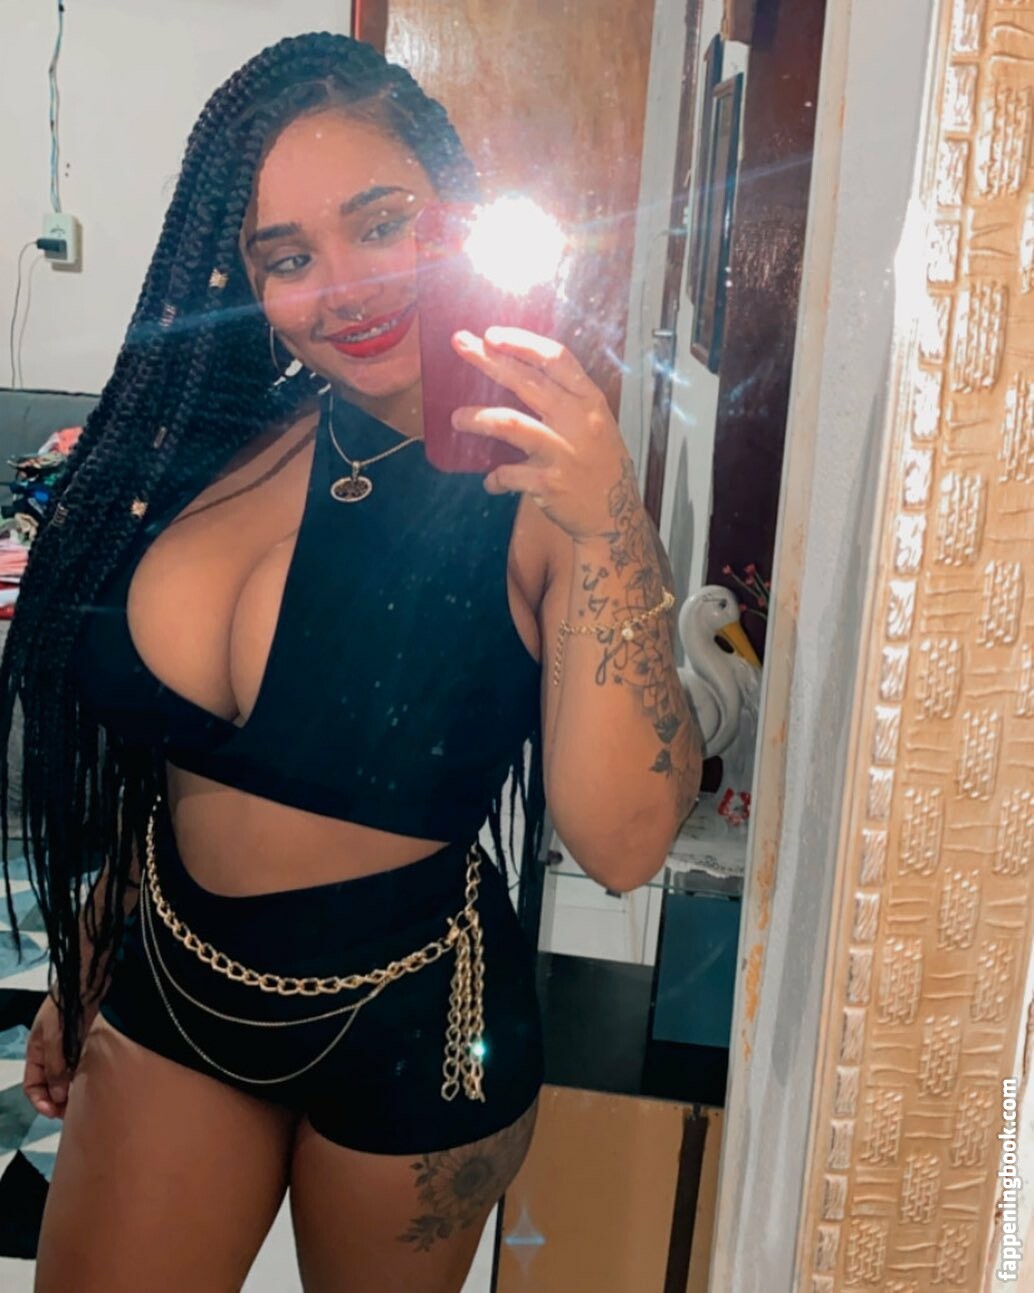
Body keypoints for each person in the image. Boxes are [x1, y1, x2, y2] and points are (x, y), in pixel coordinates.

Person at [0, 31, 702, 1293]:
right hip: (177, 976)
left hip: (419, 1021)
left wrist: (609, 524)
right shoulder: (213, 449)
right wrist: (92, 944)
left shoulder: (541, 480)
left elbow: (622, 843)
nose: (345, 289)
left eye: (382, 226)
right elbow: (173, 771)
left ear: (454, 217)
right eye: (288, 257)